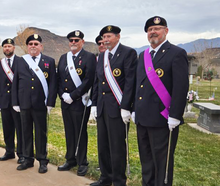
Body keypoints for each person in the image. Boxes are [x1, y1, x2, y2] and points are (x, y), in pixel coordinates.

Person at [133, 16, 188, 186]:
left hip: (162, 119)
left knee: (162, 163)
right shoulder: (143, 55)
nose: (153, 32)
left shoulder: (176, 53)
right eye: (150, 30)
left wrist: (175, 115)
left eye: (157, 29)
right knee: (146, 160)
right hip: (143, 118)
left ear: (166, 31)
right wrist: (134, 109)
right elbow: (138, 85)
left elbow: (181, 87)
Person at [91, 25, 137, 186]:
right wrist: (94, 104)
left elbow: (131, 82)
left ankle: (118, 181)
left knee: (117, 146)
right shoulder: (102, 56)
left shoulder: (128, 53)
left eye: (109, 36)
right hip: (103, 107)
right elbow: (97, 82)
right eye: (104, 37)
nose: (106, 40)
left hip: (118, 108)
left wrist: (126, 107)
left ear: (118, 37)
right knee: (102, 145)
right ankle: (105, 177)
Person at [12, 34, 57, 173]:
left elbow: (53, 84)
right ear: (27, 46)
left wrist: (50, 103)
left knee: (41, 133)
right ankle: (27, 159)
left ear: (41, 46)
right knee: (25, 132)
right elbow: (15, 83)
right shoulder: (20, 61)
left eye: (36, 44)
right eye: (30, 44)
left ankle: (42, 160)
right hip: (24, 103)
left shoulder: (49, 61)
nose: (33, 46)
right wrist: (15, 102)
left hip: (40, 104)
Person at [56, 30, 96, 176]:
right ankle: (70, 159)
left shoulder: (89, 57)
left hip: (79, 102)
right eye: (71, 40)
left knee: (80, 133)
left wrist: (73, 95)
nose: (73, 42)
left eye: (76, 40)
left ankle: (82, 162)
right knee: (69, 132)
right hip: (65, 102)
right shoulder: (63, 58)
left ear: (82, 42)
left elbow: (88, 80)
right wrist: (62, 95)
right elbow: (59, 79)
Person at [0, 38, 24, 164]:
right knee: (7, 129)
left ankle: (21, 153)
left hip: (17, 102)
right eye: (5, 46)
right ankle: (9, 151)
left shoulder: (21, 62)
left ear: (14, 48)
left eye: (9, 46)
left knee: (20, 129)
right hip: (4, 102)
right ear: (3, 48)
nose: (7, 48)